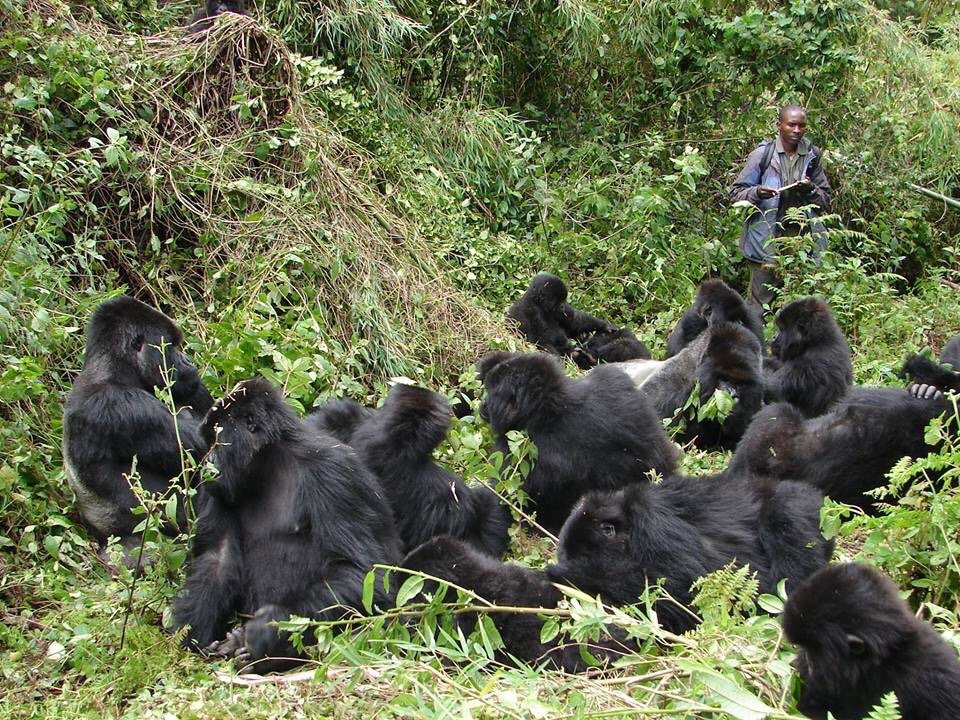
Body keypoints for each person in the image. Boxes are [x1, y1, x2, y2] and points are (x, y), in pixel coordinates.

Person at [730, 105, 831, 310]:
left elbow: (825, 199)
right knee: (759, 305)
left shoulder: (811, 154)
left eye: (802, 126)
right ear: (779, 125)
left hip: (802, 242)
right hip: (766, 239)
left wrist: (810, 189)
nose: (797, 130)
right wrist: (757, 192)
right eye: (791, 125)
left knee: (799, 305)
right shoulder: (763, 155)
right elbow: (735, 193)